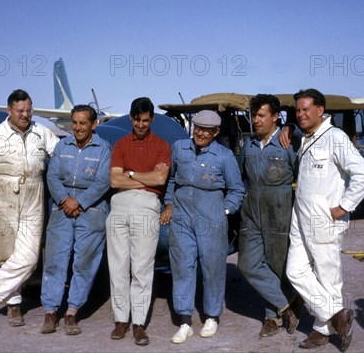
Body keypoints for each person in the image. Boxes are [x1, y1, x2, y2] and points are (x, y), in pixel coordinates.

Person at [284, 88, 364, 351]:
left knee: (328, 278)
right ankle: (338, 316)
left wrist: (344, 206)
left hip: (324, 220)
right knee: (295, 271)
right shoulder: (308, 137)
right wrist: (288, 126)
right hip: (300, 218)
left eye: (305, 109)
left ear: (320, 111)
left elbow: (363, 174)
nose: (300, 114)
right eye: (297, 110)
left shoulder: (335, 138)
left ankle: (323, 331)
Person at [0, 89, 60, 326]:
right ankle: (14, 306)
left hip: (33, 194)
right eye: (20, 111)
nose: (26, 115)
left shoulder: (41, 133)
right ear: (9, 110)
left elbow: (59, 154)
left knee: (29, 256)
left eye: (29, 110)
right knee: (3, 254)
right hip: (1, 195)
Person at [160, 110, 245, 344]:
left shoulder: (225, 156)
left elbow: (237, 190)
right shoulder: (179, 148)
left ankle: (211, 316)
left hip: (212, 219)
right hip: (182, 218)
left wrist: (224, 210)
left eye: (205, 130)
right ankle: (185, 320)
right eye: (196, 128)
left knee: (213, 267)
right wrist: (169, 203)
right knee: (182, 266)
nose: (199, 133)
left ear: (216, 132)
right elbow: (172, 179)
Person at [39, 105, 111, 335]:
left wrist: (79, 202)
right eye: (75, 123)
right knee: (55, 260)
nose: (78, 128)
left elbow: (103, 181)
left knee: (84, 263)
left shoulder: (104, 149)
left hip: (92, 209)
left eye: (83, 123)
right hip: (62, 207)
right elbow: (52, 176)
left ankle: (71, 312)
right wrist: (64, 199)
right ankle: (50, 311)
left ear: (93, 124)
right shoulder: (62, 146)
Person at [106, 97, 171, 346]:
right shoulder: (121, 144)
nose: (141, 124)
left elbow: (160, 180)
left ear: (151, 119)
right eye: (137, 119)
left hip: (147, 206)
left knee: (142, 268)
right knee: (118, 266)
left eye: (145, 120)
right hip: (120, 205)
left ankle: (138, 323)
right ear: (131, 117)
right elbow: (114, 181)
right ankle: (121, 319)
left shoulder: (162, 146)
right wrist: (146, 178)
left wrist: (130, 173)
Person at [237, 94, 303, 338]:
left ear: (276, 117)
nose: (255, 120)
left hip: (280, 211)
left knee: (277, 266)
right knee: (247, 263)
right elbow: (239, 176)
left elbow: (303, 178)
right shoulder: (249, 145)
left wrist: (291, 127)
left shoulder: (289, 143)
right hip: (251, 212)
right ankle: (290, 303)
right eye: (253, 115)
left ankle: (271, 317)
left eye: (261, 115)